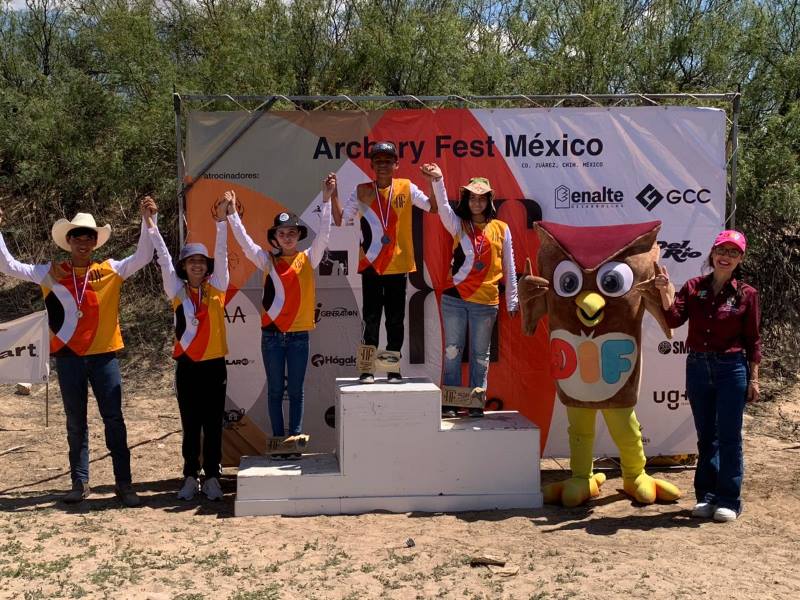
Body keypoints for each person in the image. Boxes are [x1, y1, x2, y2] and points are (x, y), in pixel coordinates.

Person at [0, 199, 157, 507]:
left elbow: (144, 255)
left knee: (114, 419)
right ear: (68, 241)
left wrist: (147, 221)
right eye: (78, 236)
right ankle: (79, 482)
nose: (83, 242)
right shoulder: (51, 272)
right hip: (69, 358)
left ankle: (124, 484)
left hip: (104, 357)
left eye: (89, 237)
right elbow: (8, 265)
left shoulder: (111, 270)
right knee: (76, 421)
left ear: (96, 242)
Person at [655, 229, 761, 522]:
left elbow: (753, 339)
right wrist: (665, 293)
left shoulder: (747, 294)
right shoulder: (693, 287)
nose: (726, 257)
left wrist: (754, 377)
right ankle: (707, 496)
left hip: (731, 368)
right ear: (712, 254)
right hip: (698, 366)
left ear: (740, 259)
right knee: (706, 438)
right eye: (722, 251)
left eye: (733, 252)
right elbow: (674, 319)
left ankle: (729, 499)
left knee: (729, 437)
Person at [226, 183, 332, 458]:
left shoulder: (308, 258)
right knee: (275, 391)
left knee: (295, 392)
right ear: (275, 237)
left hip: (298, 336)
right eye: (282, 233)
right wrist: (231, 214)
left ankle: (294, 441)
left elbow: (325, 234)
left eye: (292, 233)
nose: (287, 237)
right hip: (272, 336)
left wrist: (327, 200)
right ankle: (278, 442)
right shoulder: (266, 261)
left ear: (298, 236)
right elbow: (244, 241)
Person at [330, 141, 438, 383]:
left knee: (395, 320)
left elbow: (432, 208)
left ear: (396, 165)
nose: (383, 165)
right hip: (370, 265)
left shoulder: (406, 188)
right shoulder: (361, 191)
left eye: (388, 161)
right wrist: (333, 193)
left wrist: (434, 182)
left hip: (397, 266)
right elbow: (340, 220)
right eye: (378, 161)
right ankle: (367, 370)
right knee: (370, 319)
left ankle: (392, 370)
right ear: (371, 165)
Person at [146, 194, 230, 501]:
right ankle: (189, 476)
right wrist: (151, 224)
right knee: (190, 423)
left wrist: (221, 222)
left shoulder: (218, 287)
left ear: (206, 267)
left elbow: (221, 253)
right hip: (187, 367)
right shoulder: (177, 291)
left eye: (201, 262)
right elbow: (163, 258)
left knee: (213, 423)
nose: (196, 265)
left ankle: (212, 477)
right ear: (184, 267)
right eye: (191, 261)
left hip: (214, 365)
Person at [426, 166, 518, 417]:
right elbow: (443, 207)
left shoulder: (502, 228)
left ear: (489, 201)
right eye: (472, 198)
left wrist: (512, 300)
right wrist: (438, 180)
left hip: (486, 302)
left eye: (481, 198)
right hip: (454, 298)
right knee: (452, 352)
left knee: (480, 356)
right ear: (466, 200)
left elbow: (509, 266)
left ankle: (475, 404)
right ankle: (451, 404)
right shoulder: (458, 224)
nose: (476, 203)